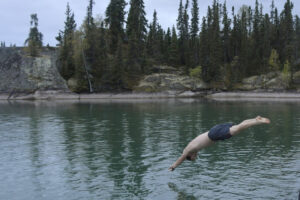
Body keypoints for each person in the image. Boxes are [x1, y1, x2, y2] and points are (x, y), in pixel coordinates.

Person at [168, 116, 271, 171]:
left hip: (214, 135)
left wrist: (173, 166)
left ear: (190, 155)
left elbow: (181, 158)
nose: (196, 156)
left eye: (194, 157)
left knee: (237, 129)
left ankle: (257, 121)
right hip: (213, 130)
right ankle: (255, 120)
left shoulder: (188, 151)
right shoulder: (190, 146)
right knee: (238, 127)